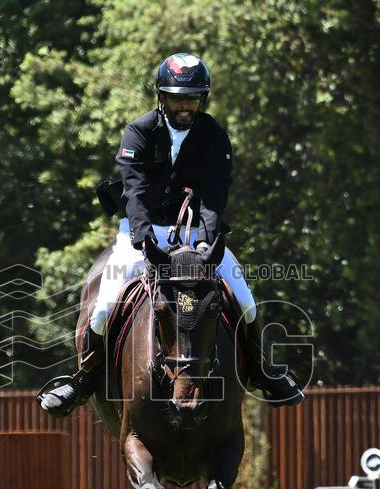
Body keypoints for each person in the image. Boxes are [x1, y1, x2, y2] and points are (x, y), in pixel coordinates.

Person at [39, 53, 304, 416]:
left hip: (197, 233)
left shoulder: (213, 135)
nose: (185, 105)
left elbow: (215, 195)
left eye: (192, 98)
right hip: (142, 234)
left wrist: (208, 240)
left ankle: (261, 371)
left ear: (202, 99)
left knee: (245, 300)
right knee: (103, 307)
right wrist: (144, 238)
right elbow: (132, 190)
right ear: (161, 97)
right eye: (178, 97)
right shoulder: (139, 131)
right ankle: (83, 380)